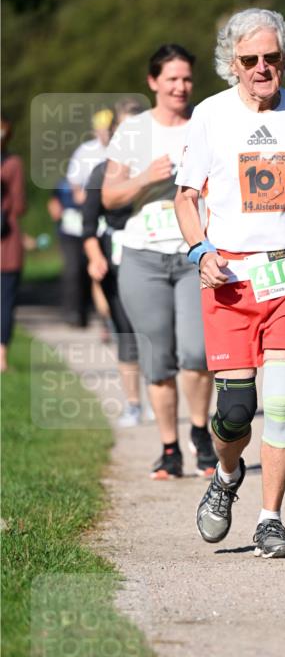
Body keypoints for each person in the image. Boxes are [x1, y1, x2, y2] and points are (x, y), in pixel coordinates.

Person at [175, 8, 285, 559]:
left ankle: (271, 520)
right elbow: (186, 196)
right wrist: (201, 251)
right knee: (237, 410)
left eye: (272, 58)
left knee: (284, 402)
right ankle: (225, 476)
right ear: (232, 64)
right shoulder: (209, 116)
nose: (262, 68)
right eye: (250, 60)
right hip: (230, 280)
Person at [102, 45, 216, 479]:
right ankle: (170, 447)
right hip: (144, 258)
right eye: (171, 79)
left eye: (186, 78)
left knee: (197, 352)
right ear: (153, 82)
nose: (180, 87)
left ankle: (201, 434)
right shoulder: (133, 131)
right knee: (159, 359)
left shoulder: (206, 123)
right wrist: (145, 177)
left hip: (194, 254)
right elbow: (110, 196)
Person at [82, 96, 146, 426]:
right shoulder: (100, 171)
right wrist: (95, 258)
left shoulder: (162, 166)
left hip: (158, 254)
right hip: (116, 255)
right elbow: (88, 226)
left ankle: (169, 392)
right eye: (124, 129)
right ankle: (134, 403)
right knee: (125, 329)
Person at [48, 109, 114, 328]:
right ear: (95, 131)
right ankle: (75, 313)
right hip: (78, 222)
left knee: (104, 269)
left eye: (109, 130)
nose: (106, 134)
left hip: (106, 221)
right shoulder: (84, 152)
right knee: (75, 269)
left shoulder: (122, 151)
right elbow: (75, 189)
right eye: (102, 130)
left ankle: (107, 317)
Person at [1, 116, 27, 372]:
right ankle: (2, 358)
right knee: (5, 301)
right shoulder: (13, 164)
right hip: (7, 245)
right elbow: (19, 206)